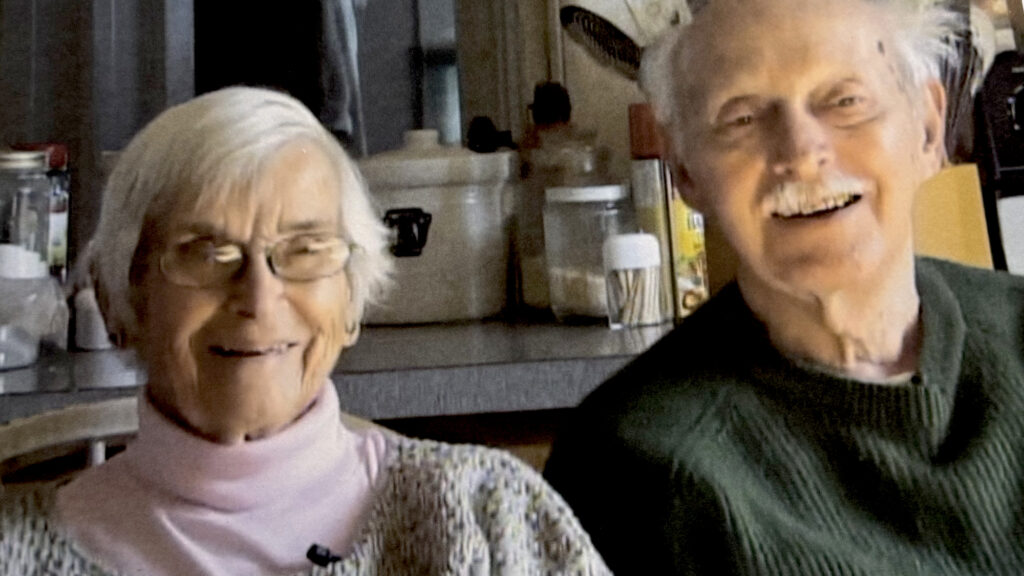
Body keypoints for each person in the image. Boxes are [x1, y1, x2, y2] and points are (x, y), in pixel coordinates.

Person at [1, 87, 610, 576]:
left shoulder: (489, 514)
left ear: (351, 302)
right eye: (206, 253)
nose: (260, 297)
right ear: (117, 303)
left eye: (305, 249)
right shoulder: (15, 551)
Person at [545, 0, 1024, 573]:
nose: (799, 153)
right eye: (743, 117)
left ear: (928, 127)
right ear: (687, 172)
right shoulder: (634, 466)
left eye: (845, 101)